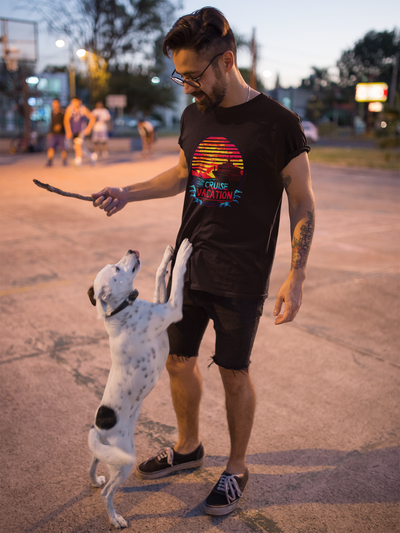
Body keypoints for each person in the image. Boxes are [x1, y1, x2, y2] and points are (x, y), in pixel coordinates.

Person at [92, 7, 315, 517]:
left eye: (193, 76)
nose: (185, 87)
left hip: (242, 274)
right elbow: (181, 174)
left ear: (227, 61)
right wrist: (126, 192)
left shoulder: (279, 123)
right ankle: (188, 448)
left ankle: (236, 468)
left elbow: (302, 201)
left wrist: (296, 274)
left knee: (233, 372)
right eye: (180, 75)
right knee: (178, 360)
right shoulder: (195, 115)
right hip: (187, 267)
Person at [64, 97, 97, 167]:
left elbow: (93, 118)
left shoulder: (83, 109)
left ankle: (78, 161)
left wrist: (88, 128)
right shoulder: (70, 109)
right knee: (77, 147)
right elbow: (66, 120)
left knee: (77, 145)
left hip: (81, 130)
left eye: (76, 102)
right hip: (73, 130)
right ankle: (92, 156)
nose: (74, 103)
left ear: (80, 102)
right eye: (73, 102)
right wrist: (68, 131)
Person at [46, 99, 67, 167]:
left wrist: (60, 126)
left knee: (63, 148)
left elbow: (65, 122)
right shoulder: (52, 113)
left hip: (61, 134)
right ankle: (49, 161)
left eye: (56, 103)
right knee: (51, 147)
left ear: (59, 104)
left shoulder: (62, 112)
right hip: (53, 134)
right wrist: (50, 132)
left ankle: (64, 161)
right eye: (53, 103)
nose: (55, 105)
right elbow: (51, 123)